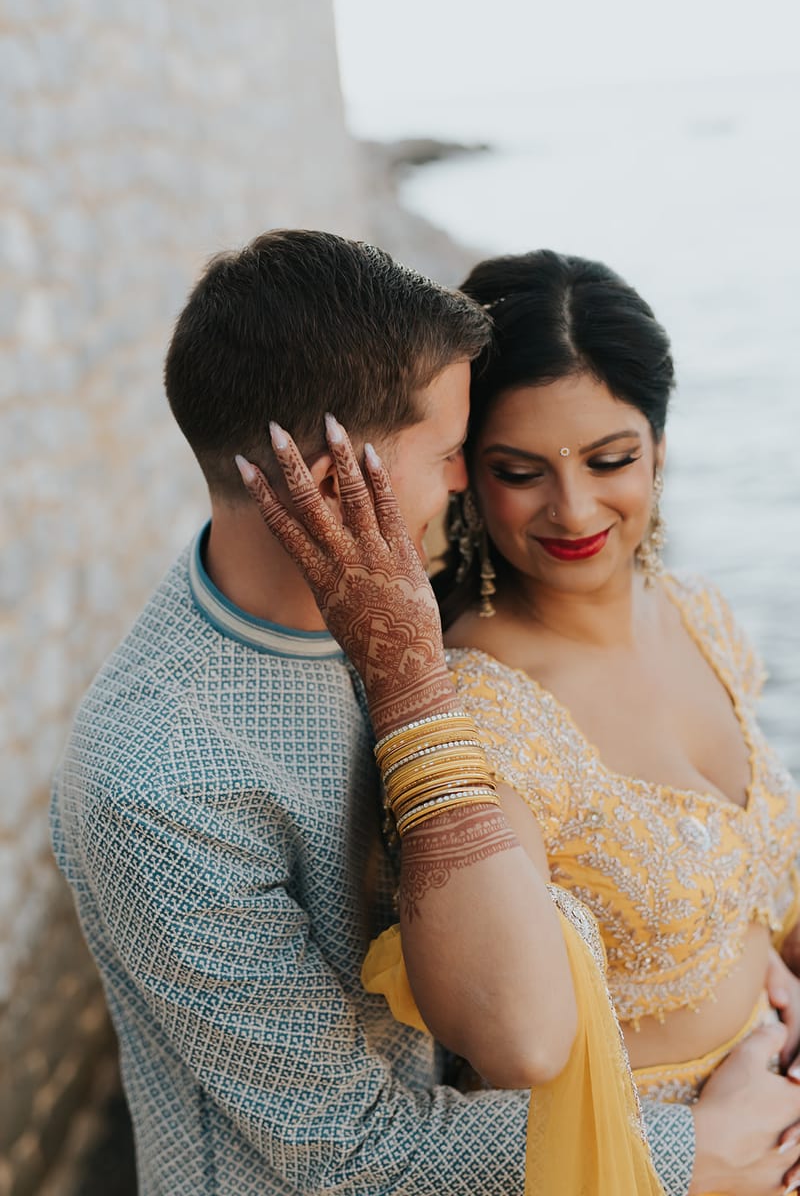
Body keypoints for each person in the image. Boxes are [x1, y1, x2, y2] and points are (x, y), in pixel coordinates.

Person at [51, 230, 800, 1196]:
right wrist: (697, 1152)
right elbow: (353, 1149)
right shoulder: (158, 771)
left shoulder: (393, 611)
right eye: (458, 454)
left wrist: (744, 978)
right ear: (334, 482)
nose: (469, 489)